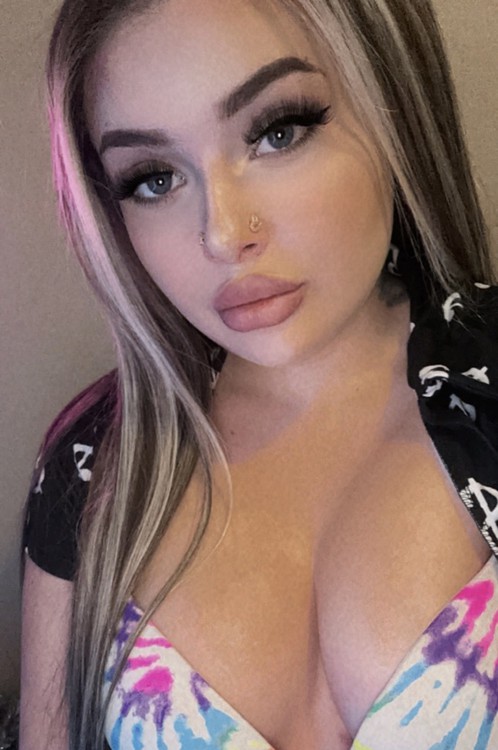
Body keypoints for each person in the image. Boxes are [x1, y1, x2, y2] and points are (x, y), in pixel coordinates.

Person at [19, 0, 498, 749]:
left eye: (280, 131)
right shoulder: (96, 465)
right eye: (153, 178)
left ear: (392, 106)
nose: (222, 233)